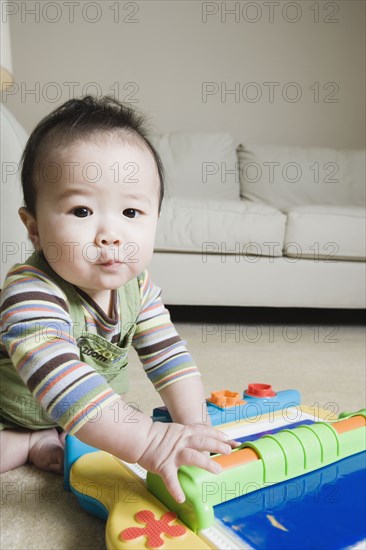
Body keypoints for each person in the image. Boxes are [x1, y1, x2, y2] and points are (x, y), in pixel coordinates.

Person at [0, 96, 236, 503]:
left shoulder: (138, 287)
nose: (111, 234)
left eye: (131, 213)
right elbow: (63, 384)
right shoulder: (30, 292)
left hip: (87, 414)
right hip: (14, 408)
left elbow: (169, 359)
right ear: (34, 228)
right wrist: (147, 441)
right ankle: (25, 442)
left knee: (101, 431)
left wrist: (194, 424)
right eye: (81, 210)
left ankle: (50, 438)